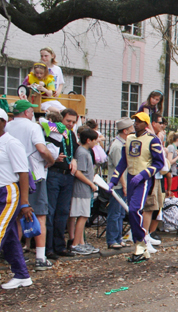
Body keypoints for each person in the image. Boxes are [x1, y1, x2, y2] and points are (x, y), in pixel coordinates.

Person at [108, 112, 165, 263]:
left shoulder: (152, 140)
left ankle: (141, 241)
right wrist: (113, 180)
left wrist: (144, 175)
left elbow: (159, 163)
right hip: (130, 178)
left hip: (143, 180)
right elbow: (123, 162)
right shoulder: (129, 139)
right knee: (132, 212)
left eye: (139, 121)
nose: (136, 123)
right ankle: (140, 245)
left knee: (135, 210)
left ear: (146, 124)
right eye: (135, 121)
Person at [5, 99, 55, 271]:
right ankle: (40, 257)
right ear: (27, 112)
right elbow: (41, 148)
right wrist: (51, 160)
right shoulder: (33, 127)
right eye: (32, 111)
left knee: (17, 217)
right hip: (34, 175)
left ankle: (15, 256)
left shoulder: (7, 127)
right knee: (40, 215)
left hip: (12, 176)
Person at [0, 106, 34, 289]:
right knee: (8, 236)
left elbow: (23, 173)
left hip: (6, 194)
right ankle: (22, 275)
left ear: (4, 123)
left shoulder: (11, 143)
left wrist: (24, 203)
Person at [45, 108, 79, 259]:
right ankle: (48, 248)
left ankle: (60, 245)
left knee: (63, 211)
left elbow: (74, 151)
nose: (70, 124)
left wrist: (74, 159)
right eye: (68, 121)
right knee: (50, 212)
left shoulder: (71, 134)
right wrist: (53, 158)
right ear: (61, 119)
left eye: (73, 122)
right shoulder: (52, 131)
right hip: (54, 173)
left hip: (67, 175)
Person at [69, 127, 100, 255]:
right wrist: (90, 183)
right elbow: (78, 172)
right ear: (88, 140)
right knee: (82, 216)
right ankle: (76, 244)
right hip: (82, 190)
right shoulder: (82, 153)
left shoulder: (83, 152)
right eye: (94, 140)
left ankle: (81, 242)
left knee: (83, 215)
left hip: (84, 189)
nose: (96, 142)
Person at [106, 118, 134, 249]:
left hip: (122, 184)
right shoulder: (117, 147)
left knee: (121, 213)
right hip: (118, 185)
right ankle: (112, 239)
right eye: (131, 128)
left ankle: (118, 237)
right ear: (125, 131)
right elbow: (119, 169)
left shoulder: (123, 144)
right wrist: (124, 185)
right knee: (115, 212)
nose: (133, 130)